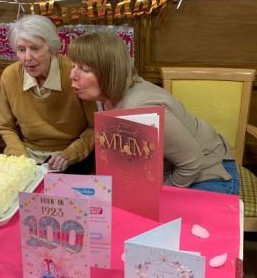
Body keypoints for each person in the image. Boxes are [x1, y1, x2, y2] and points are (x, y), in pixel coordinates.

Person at [67, 31, 239, 194]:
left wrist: (160, 196)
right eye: (73, 65)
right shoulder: (103, 96)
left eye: (84, 69)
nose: (72, 75)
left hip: (209, 171)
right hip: (166, 171)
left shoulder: (139, 108)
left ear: (109, 73)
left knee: (162, 223)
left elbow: (192, 162)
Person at [0, 15, 96, 173]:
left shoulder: (74, 73)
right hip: (25, 155)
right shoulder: (10, 75)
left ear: (52, 48)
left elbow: (95, 127)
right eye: (21, 50)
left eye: (35, 48)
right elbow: (4, 125)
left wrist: (69, 154)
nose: (27, 57)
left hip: (68, 155)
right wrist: (22, 157)